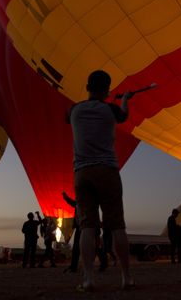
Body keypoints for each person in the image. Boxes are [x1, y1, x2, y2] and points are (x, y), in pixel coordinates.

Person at [66, 70, 134, 291]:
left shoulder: (74, 110)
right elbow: (124, 116)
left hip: (82, 173)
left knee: (87, 226)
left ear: (87, 87)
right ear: (107, 90)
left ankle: (87, 279)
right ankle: (125, 277)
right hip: (107, 170)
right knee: (116, 224)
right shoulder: (110, 110)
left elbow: (66, 116)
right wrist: (123, 99)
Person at [62, 191, 81, 273]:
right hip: (80, 228)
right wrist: (66, 198)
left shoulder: (85, 203)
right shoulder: (78, 204)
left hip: (85, 227)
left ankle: (74, 266)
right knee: (76, 247)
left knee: (82, 247)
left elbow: (73, 203)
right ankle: (74, 266)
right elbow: (72, 203)